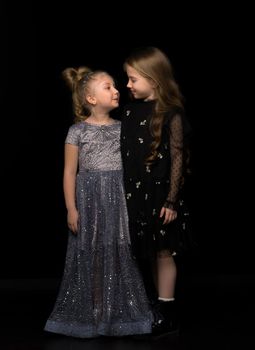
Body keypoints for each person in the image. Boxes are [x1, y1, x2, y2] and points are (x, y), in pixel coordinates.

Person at [44, 66, 153, 338]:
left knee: (119, 250)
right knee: (91, 253)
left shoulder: (123, 127)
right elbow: (70, 172)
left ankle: (117, 311)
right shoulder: (77, 131)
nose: (117, 91)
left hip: (118, 198)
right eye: (108, 87)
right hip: (89, 199)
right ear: (91, 99)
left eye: (116, 86)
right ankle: (94, 312)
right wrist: (71, 207)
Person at [120, 47, 193, 338]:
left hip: (160, 195)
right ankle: (154, 307)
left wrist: (172, 199)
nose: (127, 85)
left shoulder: (172, 114)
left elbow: (178, 157)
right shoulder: (127, 110)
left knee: (163, 251)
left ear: (155, 79)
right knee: (148, 252)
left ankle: (168, 312)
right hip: (134, 194)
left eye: (133, 79)